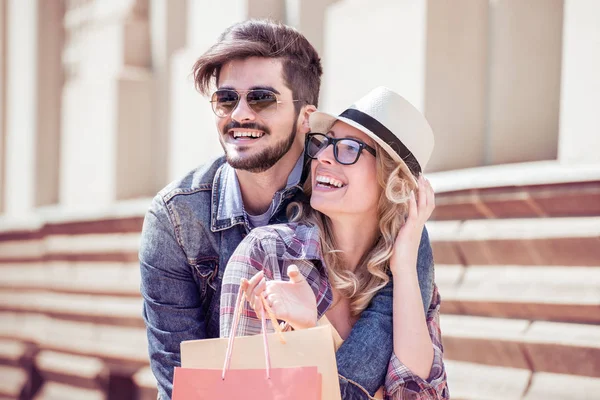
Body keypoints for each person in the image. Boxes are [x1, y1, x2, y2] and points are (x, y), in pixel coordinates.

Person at [139, 19, 436, 400]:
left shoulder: (363, 204)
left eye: (262, 97)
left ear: (305, 117)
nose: (239, 115)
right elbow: (180, 380)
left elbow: (393, 374)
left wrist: (312, 334)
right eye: (226, 99)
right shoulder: (175, 220)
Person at [221, 87, 448, 399]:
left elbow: (415, 393)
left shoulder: (407, 278)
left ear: (393, 181)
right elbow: (241, 393)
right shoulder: (268, 254)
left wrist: (406, 266)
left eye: (348, 148)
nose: (323, 157)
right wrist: (307, 332)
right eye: (324, 143)